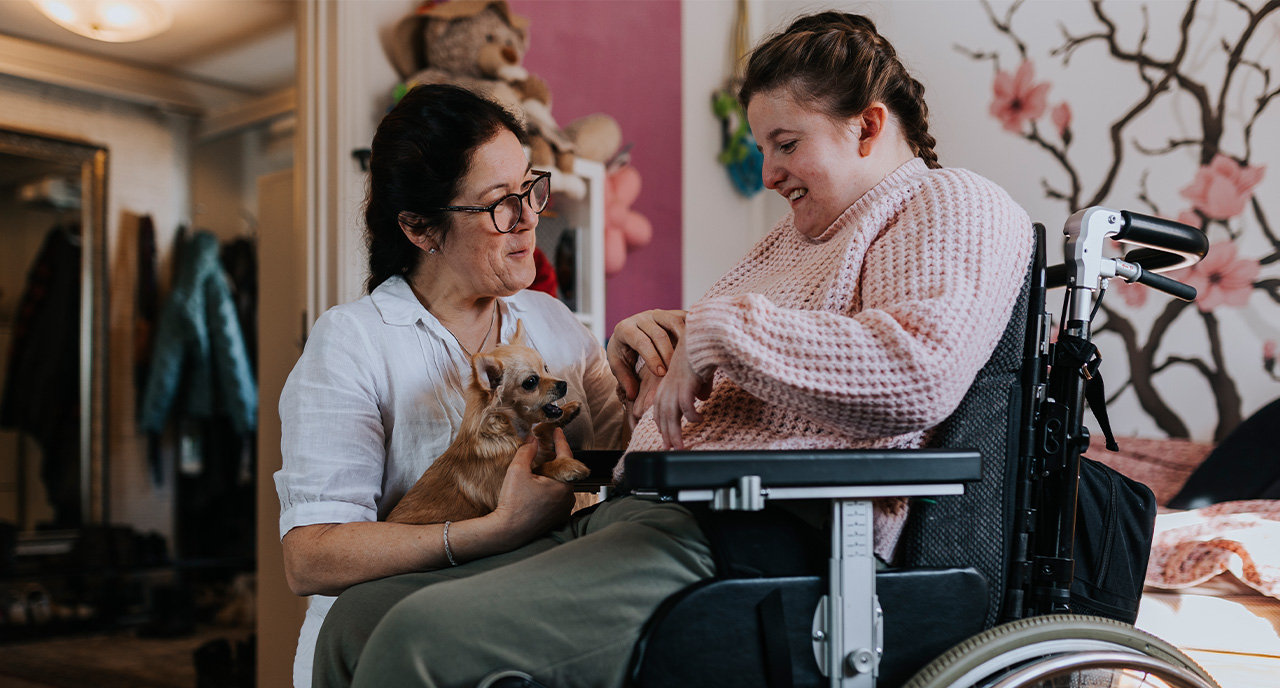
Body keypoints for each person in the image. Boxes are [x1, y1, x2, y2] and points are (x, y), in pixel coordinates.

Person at [315, 11, 1033, 688]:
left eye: (786, 144)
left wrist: (714, 333)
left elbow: (916, 371)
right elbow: (728, 378)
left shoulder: (954, 203)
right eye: (763, 150)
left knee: (418, 642)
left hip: (750, 535)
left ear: (868, 126)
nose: (769, 173)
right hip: (646, 510)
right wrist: (654, 357)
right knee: (356, 619)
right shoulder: (794, 241)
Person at [274, 83, 629, 688]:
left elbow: (624, 462)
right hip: (385, 654)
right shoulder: (353, 342)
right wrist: (498, 529)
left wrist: (644, 365)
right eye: (500, 204)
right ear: (420, 228)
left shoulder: (555, 323)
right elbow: (310, 558)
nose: (529, 218)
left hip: (524, 645)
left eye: (530, 189)